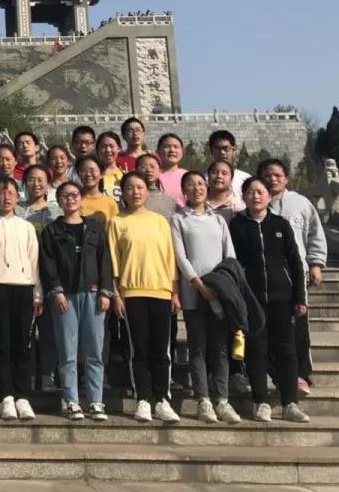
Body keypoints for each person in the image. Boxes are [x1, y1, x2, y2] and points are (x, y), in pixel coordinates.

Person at [229, 177, 310, 423]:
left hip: (281, 298)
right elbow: (232, 262)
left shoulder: (280, 224)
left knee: (287, 350)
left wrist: (299, 296)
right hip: (251, 299)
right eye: (250, 192)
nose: (256, 196)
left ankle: (290, 403)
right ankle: (260, 401)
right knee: (256, 349)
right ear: (243, 196)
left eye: (260, 191)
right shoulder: (237, 226)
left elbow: (295, 262)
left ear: (268, 196)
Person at [109, 172, 181, 424]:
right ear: (123, 193)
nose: (136, 192)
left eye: (140, 187)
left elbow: (170, 257)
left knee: (161, 350)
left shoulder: (160, 221)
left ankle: (162, 399)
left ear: (147, 192)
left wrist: (175, 292)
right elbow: (114, 262)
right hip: (132, 292)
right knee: (138, 349)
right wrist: (116, 294)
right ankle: (143, 399)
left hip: (161, 291)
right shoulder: (117, 222)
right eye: (130, 188)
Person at [171, 172, 242, 424]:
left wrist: (222, 284)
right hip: (194, 294)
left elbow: (229, 255)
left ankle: (222, 400)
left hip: (220, 292)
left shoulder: (218, 219)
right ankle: (203, 400)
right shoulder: (178, 219)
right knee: (198, 348)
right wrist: (199, 285)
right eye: (190, 185)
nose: (197, 188)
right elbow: (180, 257)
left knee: (220, 349)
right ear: (184, 191)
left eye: (200, 184)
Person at [39, 183, 112, 421]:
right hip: (65, 296)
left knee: (94, 351)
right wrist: (56, 291)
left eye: (74, 195)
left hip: (93, 294)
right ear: (59, 201)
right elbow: (48, 264)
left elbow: (105, 261)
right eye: (65, 196)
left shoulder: (95, 229)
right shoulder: (52, 231)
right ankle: (71, 401)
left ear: (81, 199)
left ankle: (96, 401)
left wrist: (105, 292)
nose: (70, 199)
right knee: (68, 352)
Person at [260, 158, 326, 397]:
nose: (272, 179)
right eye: (267, 175)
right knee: (268, 330)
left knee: (298, 327)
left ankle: (301, 375)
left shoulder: (300, 203)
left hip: (296, 277)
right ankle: (279, 375)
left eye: (277, 175)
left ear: (286, 178)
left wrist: (316, 264)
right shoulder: (255, 202)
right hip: (267, 279)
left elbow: (315, 234)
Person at [0, 176, 42, 421]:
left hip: (24, 288)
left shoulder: (26, 227)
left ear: (18, 197)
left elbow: (34, 261)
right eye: (1, 192)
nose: (6, 197)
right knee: (2, 344)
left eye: (10, 193)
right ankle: (5, 396)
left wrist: (37, 294)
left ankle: (22, 396)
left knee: (23, 344)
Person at [16, 164, 61, 391]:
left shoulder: (56, 211)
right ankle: (28, 375)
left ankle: (47, 374)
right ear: (24, 183)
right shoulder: (16, 210)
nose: (36, 184)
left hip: (51, 275)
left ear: (48, 184)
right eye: (31, 179)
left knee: (50, 329)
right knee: (24, 329)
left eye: (41, 179)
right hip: (21, 275)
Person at [76, 156, 119, 226]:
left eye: (92, 170)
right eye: (83, 171)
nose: (88, 174)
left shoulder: (110, 203)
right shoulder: (73, 200)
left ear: (102, 174)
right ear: (78, 174)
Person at [208, 130, 251, 199]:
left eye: (226, 148)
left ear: (234, 150)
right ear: (211, 151)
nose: (222, 152)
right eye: (218, 148)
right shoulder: (204, 180)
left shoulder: (246, 179)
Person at [136, 153, 178, 219]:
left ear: (160, 171)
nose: (149, 170)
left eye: (152, 167)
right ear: (136, 170)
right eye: (143, 167)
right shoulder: (129, 197)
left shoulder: (168, 201)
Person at [156, 134, 188, 206]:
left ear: (182, 152)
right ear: (158, 151)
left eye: (176, 147)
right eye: (167, 147)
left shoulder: (188, 176)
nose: (172, 150)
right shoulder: (152, 175)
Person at [96, 132, 125, 203]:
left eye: (111, 146)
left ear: (119, 149)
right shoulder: (93, 176)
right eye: (103, 147)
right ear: (97, 150)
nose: (108, 150)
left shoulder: (125, 176)